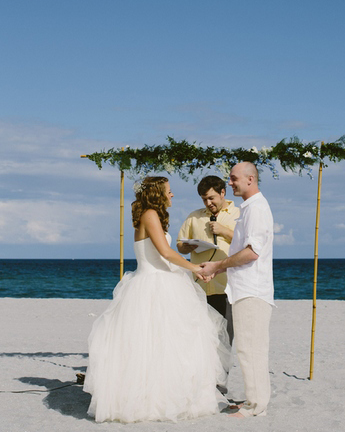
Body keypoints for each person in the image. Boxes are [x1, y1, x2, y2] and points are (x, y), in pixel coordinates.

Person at [83, 176, 230, 423]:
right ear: (156, 194)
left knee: (166, 345)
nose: (172, 195)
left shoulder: (153, 215)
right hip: (152, 285)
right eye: (169, 191)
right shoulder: (150, 214)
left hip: (161, 280)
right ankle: (152, 402)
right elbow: (165, 251)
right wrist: (195, 269)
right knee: (152, 346)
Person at [199, 162, 274, 418]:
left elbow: (252, 252)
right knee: (248, 348)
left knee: (251, 349)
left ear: (250, 179)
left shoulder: (257, 209)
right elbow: (240, 250)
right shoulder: (250, 208)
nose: (229, 183)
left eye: (233, 179)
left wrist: (218, 264)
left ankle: (256, 407)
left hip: (252, 290)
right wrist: (218, 269)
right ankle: (255, 401)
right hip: (243, 288)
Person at [177, 175, 239, 344]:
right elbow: (179, 245)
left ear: (223, 192)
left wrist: (224, 231)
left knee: (225, 339)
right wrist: (187, 247)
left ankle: (222, 372)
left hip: (227, 287)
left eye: (211, 198)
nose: (208, 203)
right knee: (201, 339)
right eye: (204, 200)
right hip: (200, 287)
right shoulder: (194, 217)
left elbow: (249, 245)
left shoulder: (239, 214)